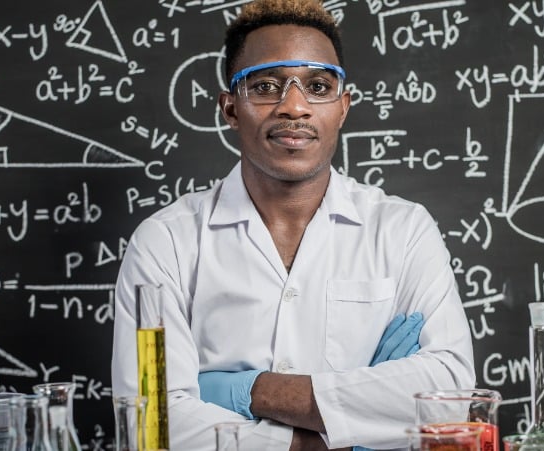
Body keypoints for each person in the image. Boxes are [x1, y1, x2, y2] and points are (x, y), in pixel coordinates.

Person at [111, 0, 476, 449]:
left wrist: (251, 391)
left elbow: (451, 397)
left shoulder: (402, 231)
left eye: (318, 86)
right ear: (230, 109)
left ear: (343, 107)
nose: (294, 107)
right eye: (266, 85)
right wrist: (333, 430)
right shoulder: (166, 242)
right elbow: (152, 422)